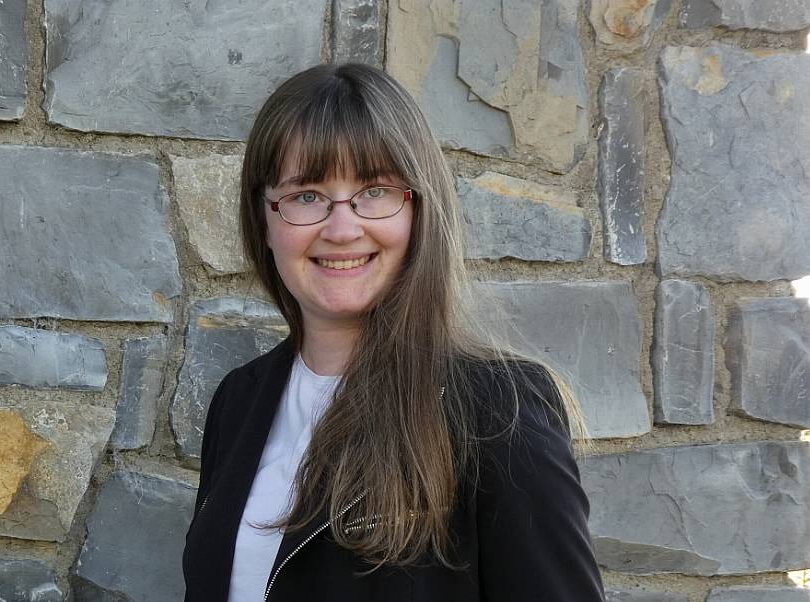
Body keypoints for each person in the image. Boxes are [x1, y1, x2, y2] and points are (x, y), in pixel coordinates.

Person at [181, 63, 604, 602]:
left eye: (375, 190)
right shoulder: (238, 401)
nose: (341, 228)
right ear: (265, 220)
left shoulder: (498, 411)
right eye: (306, 195)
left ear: (419, 209)